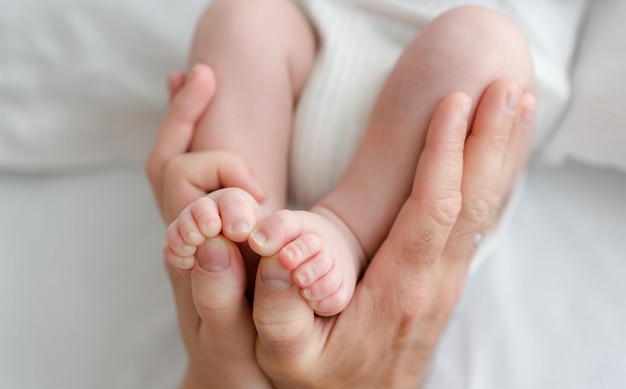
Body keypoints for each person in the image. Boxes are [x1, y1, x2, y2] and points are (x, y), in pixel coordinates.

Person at [145, 67, 535, 389]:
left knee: (240, 17)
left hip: (306, 45)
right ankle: (345, 231)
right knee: (478, 49)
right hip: (390, 207)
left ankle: (248, 221)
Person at [162, 0, 534, 317]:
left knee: (486, 44)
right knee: (242, 15)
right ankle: (248, 218)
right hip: (312, 39)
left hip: (424, 143)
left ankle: (348, 233)